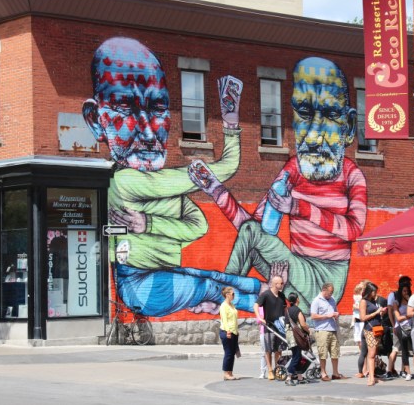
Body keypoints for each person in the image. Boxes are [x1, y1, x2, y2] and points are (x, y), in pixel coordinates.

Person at [82, 37, 262, 317]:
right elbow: (226, 168)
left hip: (164, 276)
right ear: (96, 120)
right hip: (142, 289)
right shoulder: (126, 181)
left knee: (213, 276)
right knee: (211, 287)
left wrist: (150, 223)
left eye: (157, 109)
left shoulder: (166, 191)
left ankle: (269, 291)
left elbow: (198, 226)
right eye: (126, 109)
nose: (149, 133)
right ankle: (266, 309)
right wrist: (230, 123)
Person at [190, 56, 367, 309]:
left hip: (328, 278)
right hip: (296, 272)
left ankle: (221, 298)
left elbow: (355, 229)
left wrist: (298, 207)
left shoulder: (351, 174)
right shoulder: (293, 169)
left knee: (253, 238)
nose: (313, 137)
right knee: (251, 233)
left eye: (329, 116)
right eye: (304, 114)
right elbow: (253, 229)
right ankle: (227, 298)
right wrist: (215, 189)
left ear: (348, 127)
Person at [254, 275, 287, 380]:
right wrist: (259, 317)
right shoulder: (266, 295)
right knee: (268, 350)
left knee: (279, 350)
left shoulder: (282, 295)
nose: (282, 284)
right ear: (275, 284)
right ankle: (269, 370)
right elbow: (256, 305)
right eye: (281, 283)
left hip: (280, 328)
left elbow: (285, 309)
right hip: (269, 327)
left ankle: (277, 369)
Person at [310, 282, 345, 381]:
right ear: (324, 290)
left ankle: (335, 373)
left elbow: (334, 310)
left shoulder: (332, 299)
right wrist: (327, 316)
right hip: (322, 330)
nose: (331, 294)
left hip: (333, 328)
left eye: (332, 293)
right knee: (323, 353)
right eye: (329, 292)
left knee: (335, 352)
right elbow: (313, 316)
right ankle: (323, 373)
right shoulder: (317, 300)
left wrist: (336, 314)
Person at [360, 281, 387, 386]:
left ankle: (373, 376)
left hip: (377, 329)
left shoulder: (373, 301)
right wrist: (376, 312)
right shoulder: (364, 302)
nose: (376, 293)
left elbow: (376, 314)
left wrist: (381, 312)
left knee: (374, 353)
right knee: (371, 354)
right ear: (370, 291)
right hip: (370, 330)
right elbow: (363, 318)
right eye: (374, 291)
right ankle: (370, 377)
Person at [386, 275, 411, 378]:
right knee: (396, 348)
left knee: (405, 349)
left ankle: (403, 370)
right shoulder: (394, 296)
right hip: (399, 326)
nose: (406, 290)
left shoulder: (410, 298)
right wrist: (393, 325)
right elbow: (390, 311)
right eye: (406, 284)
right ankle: (389, 370)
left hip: (409, 326)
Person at [284, 292, 311, 386]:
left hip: (289, 336)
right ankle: (289, 377)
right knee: (296, 357)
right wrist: (309, 331)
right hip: (296, 337)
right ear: (297, 300)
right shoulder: (297, 310)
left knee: (298, 355)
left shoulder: (287, 310)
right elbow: (303, 324)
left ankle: (300, 377)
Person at [393, 283, 414, 381]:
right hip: (401, 328)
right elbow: (398, 318)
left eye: (407, 291)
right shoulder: (396, 302)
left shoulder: (411, 301)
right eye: (404, 291)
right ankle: (408, 372)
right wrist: (408, 316)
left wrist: (409, 301)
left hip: (412, 327)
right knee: (404, 350)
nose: (406, 293)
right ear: (400, 292)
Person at [219, 287, 240, 381]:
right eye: (233, 294)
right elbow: (224, 320)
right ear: (227, 295)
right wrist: (228, 331)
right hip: (227, 332)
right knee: (228, 353)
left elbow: (234, 319)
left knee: (232, 353)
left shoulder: (231, 305)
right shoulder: (223, 306)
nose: (234, 295)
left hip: (234, 331)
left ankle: (230, 372)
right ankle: (226, 373)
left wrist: (236, 331)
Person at [352, 282, 364, 359]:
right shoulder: (358, 297)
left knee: (360, 337)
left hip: (361, 318)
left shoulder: (361, 298)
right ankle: (361, 351)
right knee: (358, 337)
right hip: (357, 319)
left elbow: (361, 308)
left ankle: (362, 351)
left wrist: (356, 307)